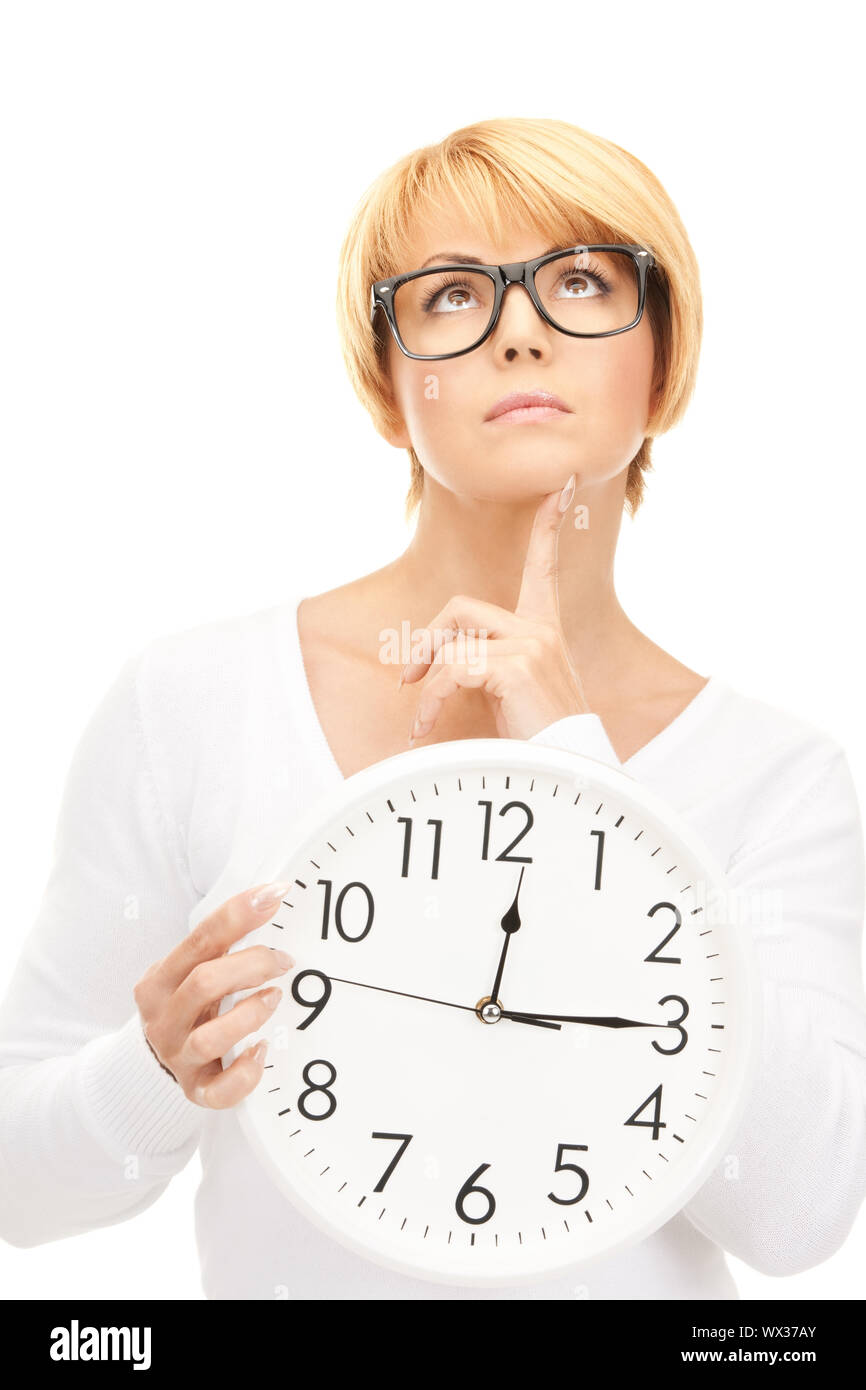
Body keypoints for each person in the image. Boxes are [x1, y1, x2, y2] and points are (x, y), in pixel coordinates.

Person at [1, 116, 864, 1301]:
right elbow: (19, 1187)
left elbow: (799, 1210)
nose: (519, 331)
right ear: (385, 381)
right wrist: (152, 1069)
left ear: (660, 362)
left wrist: (580, 769)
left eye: (578, 281)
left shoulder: (778, 776)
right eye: (454, 296)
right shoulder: (193, 704)